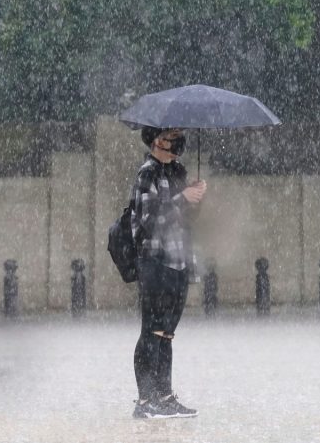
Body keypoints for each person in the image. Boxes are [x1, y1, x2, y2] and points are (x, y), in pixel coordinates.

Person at [130, 126, 206, 419]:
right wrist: (182, 199)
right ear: (156, 139)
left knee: (167, 334)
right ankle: (145, 401)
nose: (176, 141)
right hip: (155, 260)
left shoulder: (177, 172)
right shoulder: (146, 174)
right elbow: (149, 220)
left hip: (179, 260)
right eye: (170, 135)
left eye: (177, 135)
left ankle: (164, 396)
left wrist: (196, 197)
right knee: (152, 330)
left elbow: (186, 219)